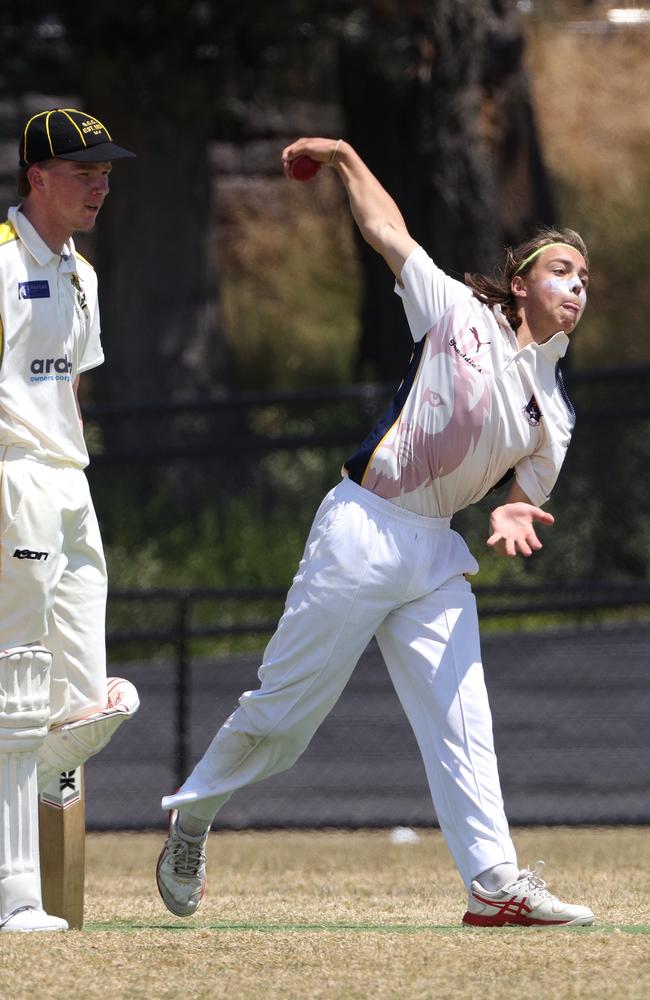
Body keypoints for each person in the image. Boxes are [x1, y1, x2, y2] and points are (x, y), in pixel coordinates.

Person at [157, 137, 594, 928]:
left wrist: (510, 508)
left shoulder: (554, 407)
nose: (577, 287)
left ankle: (494, 886)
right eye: (563, 271)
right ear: (522, 281)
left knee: (465, 718)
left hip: (433, 552)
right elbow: (389, 233)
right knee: (284, 720)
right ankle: (191, 814)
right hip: (363, 527)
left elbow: (524, 494)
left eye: (586, 280)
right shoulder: (456, 313)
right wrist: (349, 158)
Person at [0, 108, 140, 932]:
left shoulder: (83, 273)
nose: (101, 185)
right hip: (12, 477)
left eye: (107, 172)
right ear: (37, 178)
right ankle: (16, 894)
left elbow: (72, 387)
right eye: (84, 172)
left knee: (84, 703)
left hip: (71, 484)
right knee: (17, 681)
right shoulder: (2, 263)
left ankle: (36, 779)